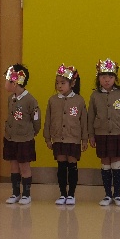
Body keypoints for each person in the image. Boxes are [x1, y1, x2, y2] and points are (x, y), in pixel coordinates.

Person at [88, 58, 120, 207]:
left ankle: (118, 194)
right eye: (103, 76)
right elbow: (90, 117)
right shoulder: (95, 96)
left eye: (110, 76)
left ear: (115, 78)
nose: (107, 80)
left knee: (116, 163)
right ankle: (107, 194)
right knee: (105, 163)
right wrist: (91, 135)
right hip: (101, 134)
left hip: (118, 133)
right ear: (98, 78)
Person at [43, 63, 88, 205]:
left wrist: (85, 139)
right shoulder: (52, 100)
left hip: (73, 138)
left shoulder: (79, 100)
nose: (59, 86)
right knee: (61, 166)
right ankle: (62, 194)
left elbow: (84, 122)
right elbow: (48, 120)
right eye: (57, 83)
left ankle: (71, 194)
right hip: (58, 138)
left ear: (72, 83)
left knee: (72, 166)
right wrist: (47, 137)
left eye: (63, 83)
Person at [3, 63, 41, 205]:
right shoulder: (10, 98)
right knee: (13, 166)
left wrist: (30, 133)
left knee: (24, 167)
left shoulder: (30, 100)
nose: (5, 83)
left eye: (7, 80)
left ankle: (26, 194)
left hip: (24, 139)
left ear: (15, 82)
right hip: (11, 138)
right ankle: (15, 193)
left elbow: (36, 120)